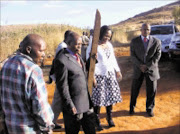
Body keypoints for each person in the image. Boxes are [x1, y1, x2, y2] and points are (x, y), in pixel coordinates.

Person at [0, 34, 54, 134]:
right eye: (41, 50)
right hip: (29, 129)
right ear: (29, 49)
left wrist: (2, 121)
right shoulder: (34, 70)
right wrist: (47, 127)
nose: (44, 54)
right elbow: (40, 107)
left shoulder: (6, 64)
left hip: (10, 127)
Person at [53, 31, 96, 134]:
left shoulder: (78, 56)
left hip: (86, 103)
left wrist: (92, 60)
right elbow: (62, 86)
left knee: (91, 130)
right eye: (77, 44)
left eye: (81, 44)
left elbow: (82, 72)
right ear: (68, 43)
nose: (79, 46)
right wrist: (70, 105)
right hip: (74, 107)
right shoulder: (61, 60)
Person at [87, 25, 122, 131]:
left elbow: (113, 59)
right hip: (99, 76)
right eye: (106, 35)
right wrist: (92, 76)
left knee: (110, 98)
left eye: (109, 36)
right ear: (101, 33)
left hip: (110, 74)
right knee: (98, 100)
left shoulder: (109, 45)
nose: (107, 38)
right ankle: (96, 121)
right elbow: (89, 61)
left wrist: (117, 70)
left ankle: (109, 118)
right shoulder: (94, 46)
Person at [129, 23, 161, 117]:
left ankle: (149, 109)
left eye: (147, 29)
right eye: (144, 29)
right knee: (135, 89)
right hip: (138, 69)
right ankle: (132, 107)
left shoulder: (156, 41)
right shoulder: (134, 41)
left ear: (150, 31)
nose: (145, 31)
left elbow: (157, 55)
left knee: (151, 90)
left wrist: (147, 66)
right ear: (140, 30)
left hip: (151, 69)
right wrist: (140, 66)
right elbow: (132, 55)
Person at [46, 30, 72, 131]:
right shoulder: (63, 47)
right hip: (62, 79)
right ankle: (50, 123)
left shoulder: (63, 45)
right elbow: (59, 63)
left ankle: (52, 122)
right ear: (67, 38)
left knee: (59, 101)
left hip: (61, 78)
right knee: (58, 101)